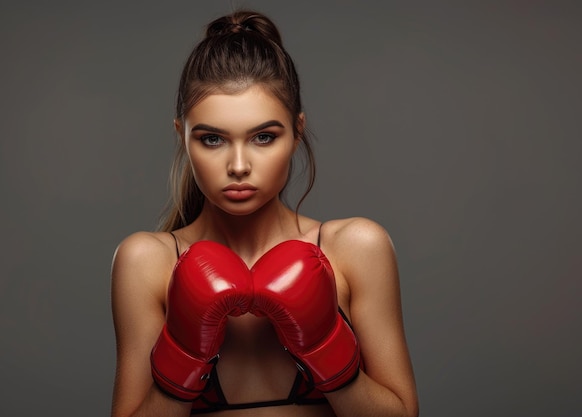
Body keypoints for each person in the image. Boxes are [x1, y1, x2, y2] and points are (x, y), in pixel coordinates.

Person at [110, 9, 418, 417]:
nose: (238, 165)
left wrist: (328, 351)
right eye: (213, 139)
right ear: (182, 137)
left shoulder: (355, 249)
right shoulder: (147, 263)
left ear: (297, 132)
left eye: (263, 137)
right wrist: (182, 357)